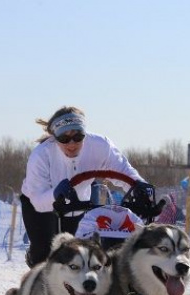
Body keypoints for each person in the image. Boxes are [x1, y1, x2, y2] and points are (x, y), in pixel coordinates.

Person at [19, 106, 156, 267]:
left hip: (78, 203)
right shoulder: (41, 155)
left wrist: (140, 189)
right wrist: (55, 194)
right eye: (64, 138)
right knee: (45, 255)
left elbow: (124, 171)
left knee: (77, 256)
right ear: (55, 137)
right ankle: (35, 258)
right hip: (40, 202)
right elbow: (38, 199)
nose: (72, 143)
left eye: (78, 136)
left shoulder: (100, 146)